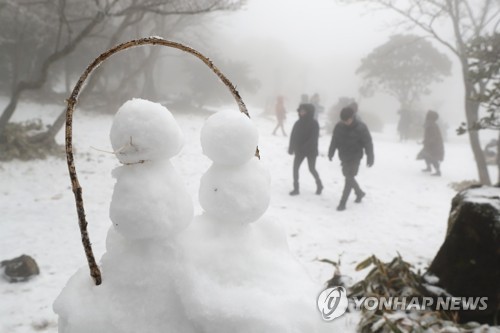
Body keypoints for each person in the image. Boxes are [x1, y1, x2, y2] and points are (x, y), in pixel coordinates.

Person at [328, 107, 374, 211]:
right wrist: (331, 151)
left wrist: (370, 156)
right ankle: (359, 193)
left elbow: (368, 143)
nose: (346, 123)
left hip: (355, 156)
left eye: (347, 120)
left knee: (349, 178)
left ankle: (342, 203)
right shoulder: (339, 126)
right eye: (344, 121)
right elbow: (334, 140)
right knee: (347, 176)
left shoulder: (361, 127)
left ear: (352, 117)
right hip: (344, 156)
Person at [288, 103, 323, 196]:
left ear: (309, 112)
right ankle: (296, 188)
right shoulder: (298, 123)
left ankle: (319, 185)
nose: (301, 112)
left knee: (312, 169)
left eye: (303, 111)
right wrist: (291, 148)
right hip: (299, 151)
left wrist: (303, 147)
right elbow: (293, 136)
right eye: (300, 111)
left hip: (311, 151)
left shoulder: (314, 124)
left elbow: (313, 139)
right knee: (295, 169)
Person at [417, 110, 444, 176]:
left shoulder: (432, 125)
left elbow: (434, 136)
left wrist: (430, 142)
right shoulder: (430, 124)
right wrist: (425, 141)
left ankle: (438, 171)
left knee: (433, 157)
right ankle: (428, 167)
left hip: (434, 145)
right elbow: (428, 135)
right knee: (426, 155)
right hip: (430, 144)